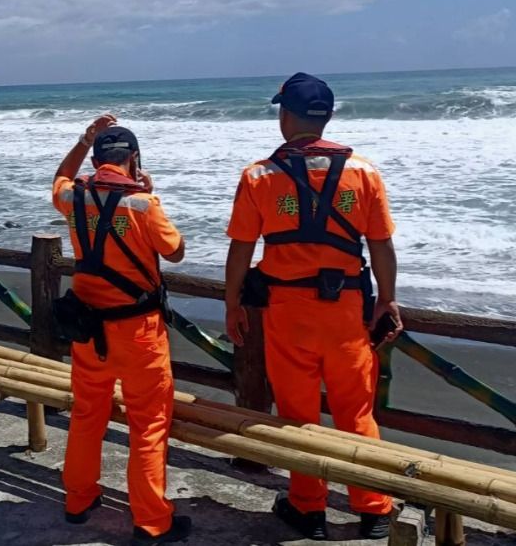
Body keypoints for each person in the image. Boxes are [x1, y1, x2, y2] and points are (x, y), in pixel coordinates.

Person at [223, 72, 402, 540]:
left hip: (287, 311)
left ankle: (308, 507)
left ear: (285, 116)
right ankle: (374, 507)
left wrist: (232, 302)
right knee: (355, 412)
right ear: (327, 117)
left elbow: (241, 248)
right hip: (346, 310)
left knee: (298, 415)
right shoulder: (363, 172)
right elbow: (381, 245)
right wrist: (388, 299)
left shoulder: (259, 175)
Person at [52, 115, 192, 546]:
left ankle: (78, 500)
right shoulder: (143, 205)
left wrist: (81, 141)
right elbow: (177, 252)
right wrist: (150, 193)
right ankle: (151, 521)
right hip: (138, 333)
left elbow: (60, 177)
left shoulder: (74, 198)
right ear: (133, 159)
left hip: (89, 330)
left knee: (86, 416)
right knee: (148, 425)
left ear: (96, 161)